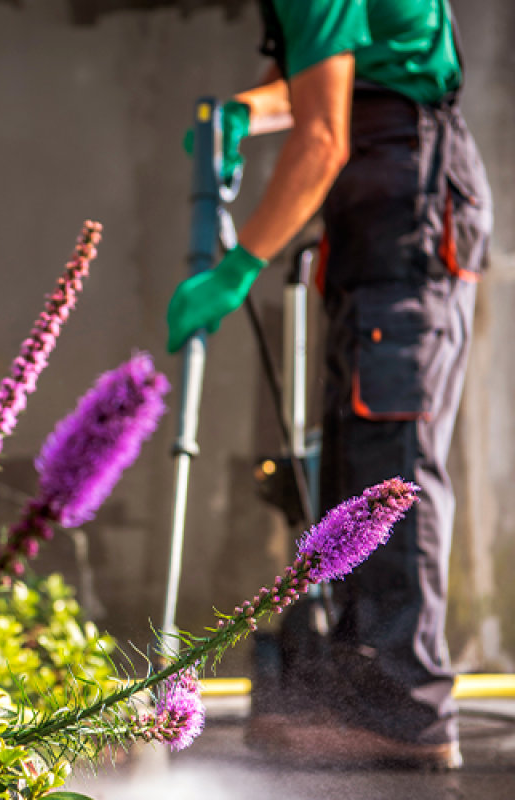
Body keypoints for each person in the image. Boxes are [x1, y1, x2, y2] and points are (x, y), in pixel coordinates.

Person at [166, 0, 492, 770]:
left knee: (393, 453)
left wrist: (236, 267)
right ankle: (356, 689)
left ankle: (406, 709)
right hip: (375, 204)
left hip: (407, 199)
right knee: (353, 449)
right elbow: (321, 83)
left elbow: (322, 135)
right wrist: (246, 110)